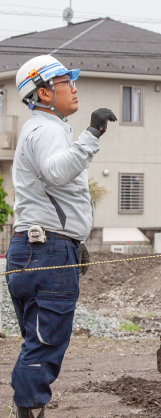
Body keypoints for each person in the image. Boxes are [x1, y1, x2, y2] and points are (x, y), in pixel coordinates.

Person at [6, 55, 117, 418]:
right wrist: (93, 134)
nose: (74, 87)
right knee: (45, 342)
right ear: (43, 92)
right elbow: (56, 173)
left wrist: (74, 242)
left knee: (36, 339)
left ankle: (28, 407)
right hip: (47, 250)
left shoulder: (42, 129)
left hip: (37, 247)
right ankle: (29, 410)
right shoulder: (47, 129)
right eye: (65, 82)